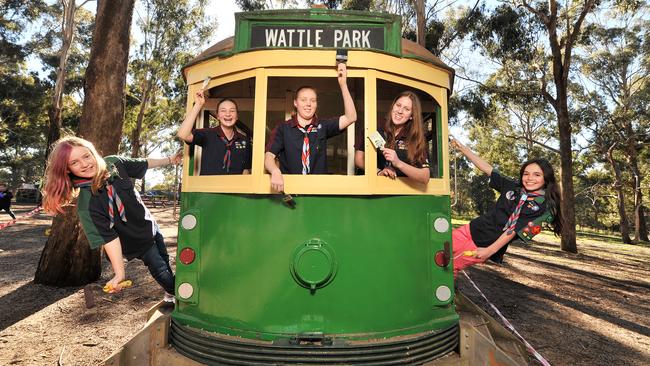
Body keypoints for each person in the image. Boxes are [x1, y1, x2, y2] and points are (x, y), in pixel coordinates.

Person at [41, 136, 180, 299]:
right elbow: (109, 239)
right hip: (136, 242)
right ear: (67, 170)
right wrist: (119, 273)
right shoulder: (87, 206)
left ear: (93, 153)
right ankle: (175, 293)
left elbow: (144, 163)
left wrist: (171, 159)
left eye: (86, 156)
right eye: (75, 162)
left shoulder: (114, 163)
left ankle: (173, 289)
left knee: (164, 259)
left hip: (149, 225)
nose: (85, 164)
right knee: (160, 270)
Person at [449, 138, 562, 276]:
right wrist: (463, 149)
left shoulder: (542, 207)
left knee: (448, 269)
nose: (530, 178)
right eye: (526, 173)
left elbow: (513, 230)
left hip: (484, 244)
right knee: (435, 253)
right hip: (470, 229)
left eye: (537, 175)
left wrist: (489, 251)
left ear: (546, 178)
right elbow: (488, 169)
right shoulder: (513, 187)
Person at [265, 63, 357, 192]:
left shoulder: (323, 126)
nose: (308, 104)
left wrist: (343, 85)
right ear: (295, 103)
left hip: (318, 190)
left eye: (313, 100)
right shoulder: (283, 128)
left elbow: (351, 117)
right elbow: (269, 156)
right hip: (289, 189)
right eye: (303, 100)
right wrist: (275, 171)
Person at [355, 91, 430, 184]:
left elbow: (425, 177)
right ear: (393, 106)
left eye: (406, 109)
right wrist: (378, 172)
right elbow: (359, 159)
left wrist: (398, 163)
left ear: (412, 116)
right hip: (369, 187)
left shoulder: (416, 138)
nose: (400, 111)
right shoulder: (374, 126)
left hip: (398, 191)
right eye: (398, 105)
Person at [177, 91, 252, 175]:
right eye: (223, 111)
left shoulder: (245, 140)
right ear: (218, 116)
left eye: (232, 111)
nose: (228, 114)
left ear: (237, 116)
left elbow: (246, 170)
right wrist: (198, 104)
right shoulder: (207, 134)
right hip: (208, 187)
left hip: (234, 187)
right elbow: (183, 134)